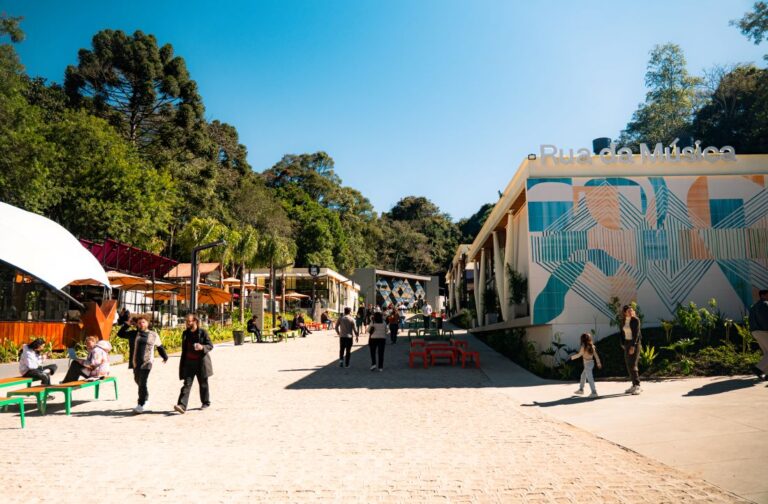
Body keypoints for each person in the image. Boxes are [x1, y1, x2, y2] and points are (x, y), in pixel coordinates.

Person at [117, 316, 168, 413]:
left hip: (147, 362)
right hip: (135, 362)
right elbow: (120, 334)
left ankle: (141, 404)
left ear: (147, 323)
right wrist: (127, 324)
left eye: (143, 322)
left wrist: (165, 356)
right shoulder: (133, 334)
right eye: (139, 322)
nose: (141, 324)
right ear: (136, 324)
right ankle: (146, 398)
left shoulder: (153, 335)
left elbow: (160, 346)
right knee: (138, 381)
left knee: (142, 382)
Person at [174, 314, 213, 414]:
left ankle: (205, 402)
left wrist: (202, 347)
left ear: (195, 321)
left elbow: (210, 345)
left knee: (203, 383)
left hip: (201, 362)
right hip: (189, 363)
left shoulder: (203, 332)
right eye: (186, 321)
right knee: (186, 384)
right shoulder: (185, 333)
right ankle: (182, 405)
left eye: (189, 321)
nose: (187, 323)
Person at [568, 333, 602, 398]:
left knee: (590, 378)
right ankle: (581, 389)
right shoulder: (592, 346)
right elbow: (596, 356)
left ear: (582, 340)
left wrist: (572, 357)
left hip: (587, 364)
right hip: (591, 363)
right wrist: (598, 363)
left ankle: (594, 392)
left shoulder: (584, 346)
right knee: (583, 375)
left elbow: (580, 354)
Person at [620, 305, 642, 395]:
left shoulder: (636, 320)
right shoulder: (623, 321)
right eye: (629, 311)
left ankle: (637, 386)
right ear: (625, 312)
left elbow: (637, 334)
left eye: (632, 310)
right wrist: (623, 344)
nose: (631, 312)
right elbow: (621, 333)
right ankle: (633, 385)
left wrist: (633, 345)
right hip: (627, 343)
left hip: (635, 344)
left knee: (633, 364)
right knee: (628, 364)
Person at [748, 289, 768, 380]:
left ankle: (766, 373)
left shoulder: (753, 307)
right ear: (763, 295)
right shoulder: (765, 304)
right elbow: (766, 319)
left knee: (766, 353)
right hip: (764, 331)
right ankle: (758, 369)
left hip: (755, 331)